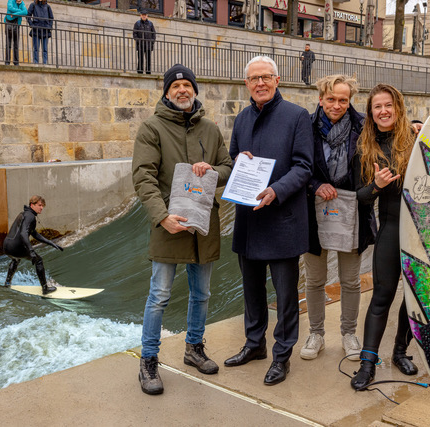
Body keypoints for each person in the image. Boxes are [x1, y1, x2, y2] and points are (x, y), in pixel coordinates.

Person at [350, 84, 430, 391]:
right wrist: (376, 185)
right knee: (382, 297)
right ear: (371, 113)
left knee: (414, 295)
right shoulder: (365, 147)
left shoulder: (416, 137)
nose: (383, 111)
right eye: (377, 107)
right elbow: (359, 197)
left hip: (422, 231)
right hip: (390, 229)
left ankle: (400, 351)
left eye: (388, 105)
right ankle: (367, 363)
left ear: (398, 108)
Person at [132, 64, 233, 395]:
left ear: (195, 90)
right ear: (166, 92)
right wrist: (162, 217)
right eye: (175, 85)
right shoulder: (152, 128)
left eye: (187, 84)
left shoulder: (210, 129)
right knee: (159, 295)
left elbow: (227, 167)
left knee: (201, 294)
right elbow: (143, 177)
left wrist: (212, 170)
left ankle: (193, 349)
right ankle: (148, 361)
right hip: (168, 224)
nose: (182, 89)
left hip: (203, 225)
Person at [224, 56, 313, 386]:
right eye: (253, 79)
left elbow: (305, 167)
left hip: (282, 220)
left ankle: (282, 356)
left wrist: (277, 189)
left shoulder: (297, 116)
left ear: (277, 80)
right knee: (251, 292)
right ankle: (254, 344)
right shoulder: (242, 118)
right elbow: (233, 156)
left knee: (286, 296)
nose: (259, 83)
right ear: (246, 84)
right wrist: (238, 161)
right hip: (248, 221)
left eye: (265, 77)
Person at [299, 74, 376, 362]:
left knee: (351, 281)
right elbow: (296, 165)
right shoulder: (304, 125)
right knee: (315, 279)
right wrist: (315, 184)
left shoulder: (363, 126)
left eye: (343, 100)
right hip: (313, 210)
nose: (337, 105)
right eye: (331, 99)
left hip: (353, 212)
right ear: (321, 99)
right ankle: (316, 333)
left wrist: (419, 127)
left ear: (350, 100)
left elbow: (395, 132)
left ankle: (348, 334)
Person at [3, 195, 63, 294]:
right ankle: (45, 289)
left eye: (42, 206)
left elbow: (34, 233)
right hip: (15, 247)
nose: (41, 208)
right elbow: (23, 233)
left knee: (16, 259)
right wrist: (31, 251)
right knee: (38, 261)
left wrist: (50, 243)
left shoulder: (23, 214)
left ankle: (7, 282)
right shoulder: (30, 217)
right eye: (39, 205)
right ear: (32, 205)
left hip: (6, 246)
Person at [27, 0, 54, 64]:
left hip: (45, 30)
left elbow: (51, 18)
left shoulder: (47, 6)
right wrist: (32, 25)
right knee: (36, 48)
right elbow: (28, 16)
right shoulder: (33, 5)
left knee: (45, 49)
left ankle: (45, 63)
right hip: (36, 29)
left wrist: (49, 26)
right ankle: (36, 63)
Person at [133, 10, 156, 75]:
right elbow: (135, 34)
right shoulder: (137, 23)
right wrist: (138, 40)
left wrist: (152, 41)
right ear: (140, 15)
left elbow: (153, 34)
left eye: (145, 15)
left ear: (147, 16)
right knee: (140, 59)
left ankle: (148, 72)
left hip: (148, 44)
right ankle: (140, 71)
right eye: (143, 15)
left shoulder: (150, 24)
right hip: (140, 44)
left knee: (148, 59)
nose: (144, 16)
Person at [5, 0, 27, 66]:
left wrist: (15, 14)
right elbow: (10, 8)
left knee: (16, 44)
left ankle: (16, 62)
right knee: (8, 44)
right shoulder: (11, 1)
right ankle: (7, 62)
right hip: (9, 23)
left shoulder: (22, 3)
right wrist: (20, 12)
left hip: (17, 24)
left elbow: (25, 12)